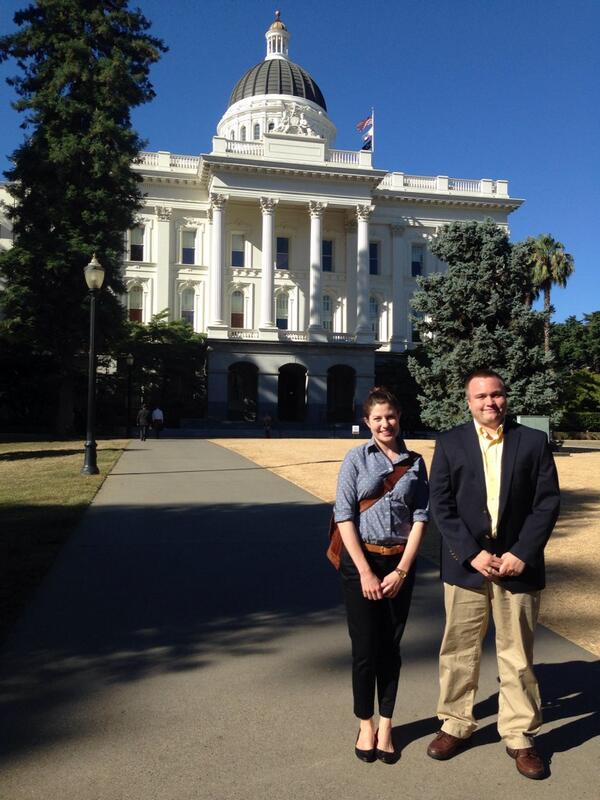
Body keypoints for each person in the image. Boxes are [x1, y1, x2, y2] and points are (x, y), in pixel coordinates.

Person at [426, 369, 560, 780]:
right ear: (468, 402)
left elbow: (547, 503)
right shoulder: (450, 443)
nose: (490, 402)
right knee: (458, 650)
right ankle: (456, 723)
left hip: (517, 568)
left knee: (516, 654)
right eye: (481, 396)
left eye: (497, 394)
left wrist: (522, 552)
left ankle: (519, 735)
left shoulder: (533, 442)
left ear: (506, 398)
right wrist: (472, 554)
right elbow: (441, 505)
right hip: (468, 569)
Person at [334, 387, 429, 763]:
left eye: (390, 416)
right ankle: (366, 723)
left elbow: (421, 518)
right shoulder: (355, 458)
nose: (385, 423)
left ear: (398, 416)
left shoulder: (416, 461)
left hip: (398, 566)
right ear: (367, 422)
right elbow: (344, 515)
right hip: (361, 564)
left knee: (391, 647)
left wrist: (403, 569)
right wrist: (365, 573)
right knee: (365, 650)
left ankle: (387, 724)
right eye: (377, 418)